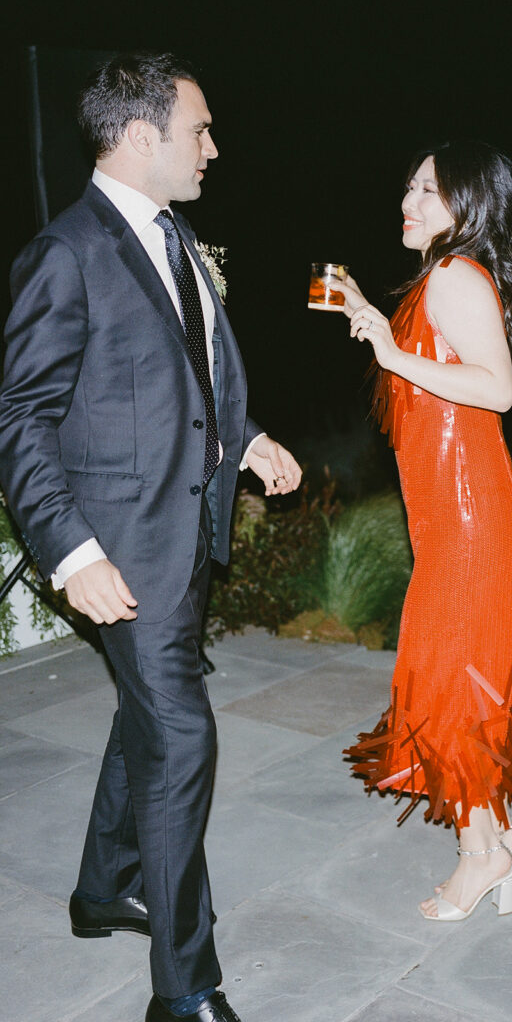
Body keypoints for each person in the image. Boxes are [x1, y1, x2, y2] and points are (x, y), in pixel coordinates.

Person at [0, 52, 301, 1021]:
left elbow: (186, 375)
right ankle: (186, 987)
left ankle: (100, 890)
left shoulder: (174, 237)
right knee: (180, 735)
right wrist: (72, 551)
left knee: (149, 713)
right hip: (117, 547)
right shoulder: (68, 253)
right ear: (140, 135)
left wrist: (244, 440)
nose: (214, 147)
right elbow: (21, 419)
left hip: (183, 539)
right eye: (200, 129)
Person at [336, 140, 512, 922]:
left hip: (475, 521)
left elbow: (494, 389)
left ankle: (481, 860)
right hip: (456, 520)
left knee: (452, 690)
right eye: (409, 186)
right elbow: (432, 381)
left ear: (466, 206)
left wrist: (395, 353)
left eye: (429, 191)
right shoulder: (434, 281)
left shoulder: (455, 275)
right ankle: (497, 839)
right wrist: (378, 324)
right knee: (456, 682)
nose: (410, 200)